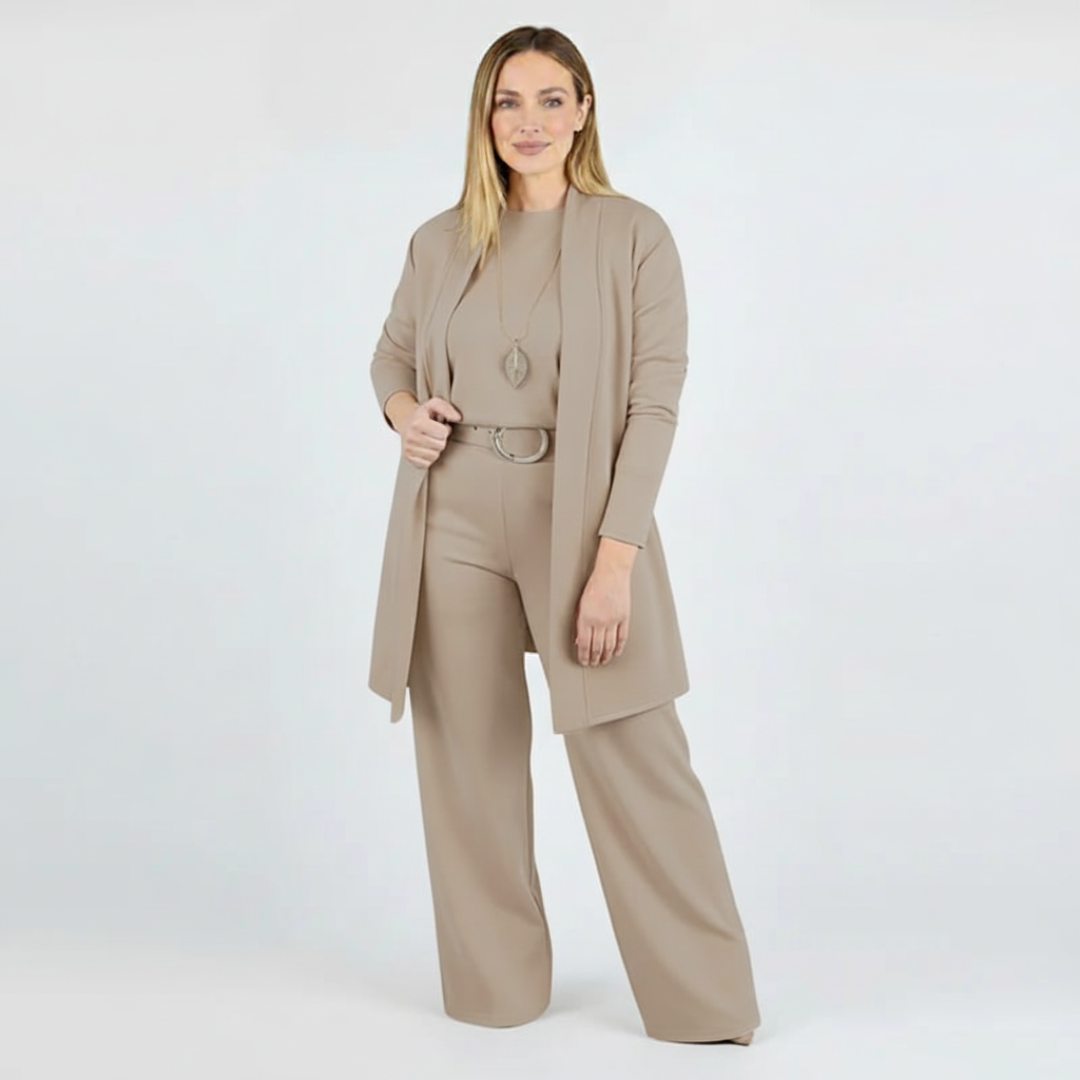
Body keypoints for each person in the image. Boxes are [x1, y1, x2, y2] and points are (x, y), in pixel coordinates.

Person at [368, 25, 761, 1044]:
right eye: (509, 101)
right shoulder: (439, 240)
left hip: (579, 519)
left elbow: (654, 406)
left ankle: (704, 1003)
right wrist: (406, 413)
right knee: (469, 765)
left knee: (633, 751)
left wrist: (614, 560)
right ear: (484, 116)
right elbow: (391, 357)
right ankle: (495, 991)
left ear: (584, 111)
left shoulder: (634, 236)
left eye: (551, 99)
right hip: (453, 512)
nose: (530, 121)